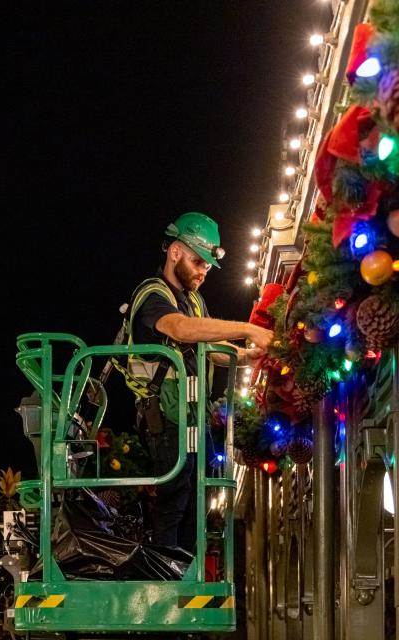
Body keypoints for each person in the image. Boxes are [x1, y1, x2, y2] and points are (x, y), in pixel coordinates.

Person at [126, 211, 275, 552]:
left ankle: (188, 573)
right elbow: (181, 329)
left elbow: (208, 348)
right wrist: (248, 329)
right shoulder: (152, 296)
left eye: (207, 266)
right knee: (174, 499)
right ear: (174, 252)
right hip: (165, 418)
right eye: (197, 261)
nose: (203, 271)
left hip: (194, 418)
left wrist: (247, 355)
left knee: (197, 501)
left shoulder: (194, 301)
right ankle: (169, 578)